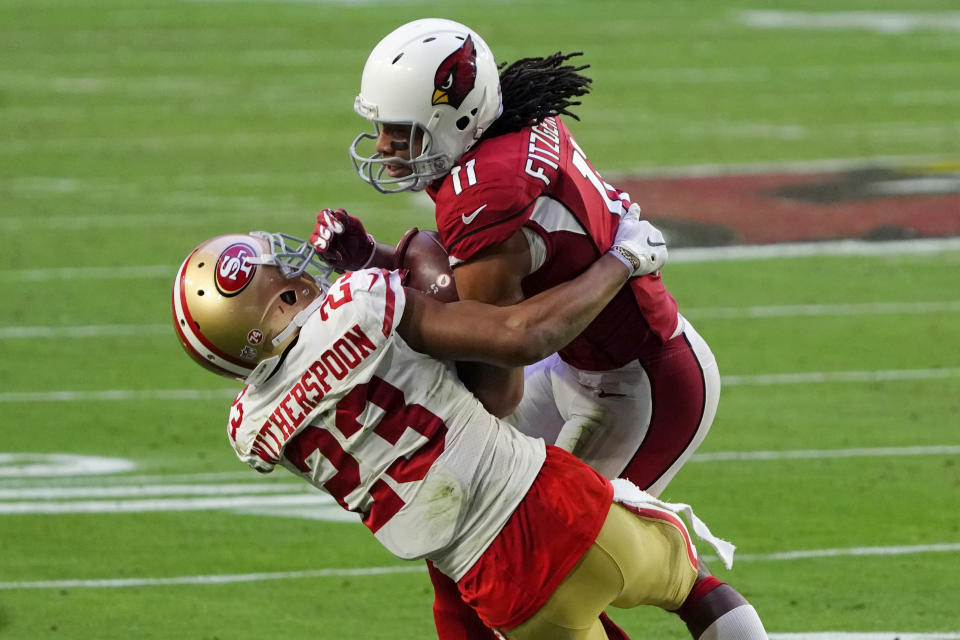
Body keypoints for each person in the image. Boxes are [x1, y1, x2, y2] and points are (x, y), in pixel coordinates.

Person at [310, 17, 738, 640]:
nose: (381, 147)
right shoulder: (501, 125)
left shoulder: (485, 191)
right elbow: (488, 299)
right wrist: (381, 260)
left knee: (548, 568)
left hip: (641, 386)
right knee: (474, 558)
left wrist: (393, 318)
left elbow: (500, 377)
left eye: (398, 133)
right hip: (578, 366)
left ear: (453, 119)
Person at [170, 226, 767, 640]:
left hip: (501, 594)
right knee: (697, 593)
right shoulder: (359, 303)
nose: (300, 269)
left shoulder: (250, 429)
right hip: (559, 508)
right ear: (271, 301)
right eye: (284, 274)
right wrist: (622, 260)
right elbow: (507, 338)